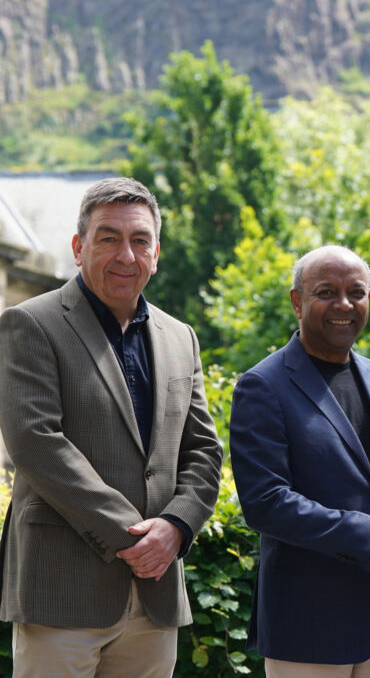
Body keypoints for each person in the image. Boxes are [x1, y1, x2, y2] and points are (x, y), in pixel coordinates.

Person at [0, 177, 223, 677]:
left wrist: (177, 527)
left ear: (156, 253)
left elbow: (204, 451)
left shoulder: (180, 338)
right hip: (62, 590)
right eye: (108, 238)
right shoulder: (30, 324)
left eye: (139, 240)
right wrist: (135, 537)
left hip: (156, 594)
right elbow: (36, 443)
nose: (126, 254)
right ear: (79, 248)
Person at [229, 245, 370, 677]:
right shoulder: (263, 385)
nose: (344, 305)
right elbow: (265, 502)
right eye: (326, 292)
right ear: (297, 301)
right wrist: (368, 533)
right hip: (308, 619)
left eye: (356, 292)